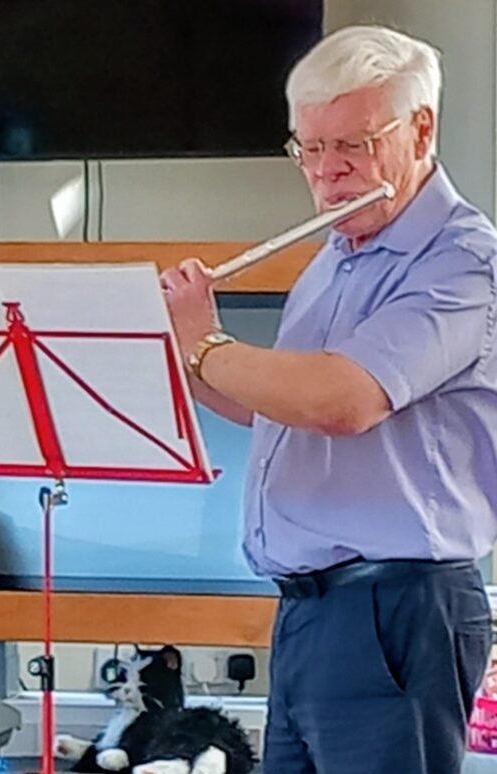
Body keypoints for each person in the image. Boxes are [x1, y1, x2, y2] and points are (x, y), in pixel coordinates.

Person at [161, 25, 497, 774]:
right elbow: (279, 405)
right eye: (308, 149)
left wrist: (205, 344)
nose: (328, 174)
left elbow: (344, 401)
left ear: (420, 130)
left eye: (352, 146)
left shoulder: (462, 261)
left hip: (396, 610)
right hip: (312, 610)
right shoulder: (333, 259)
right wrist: (173, 361)